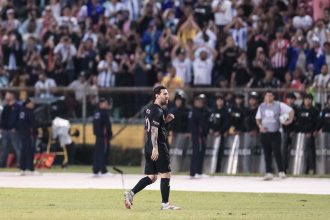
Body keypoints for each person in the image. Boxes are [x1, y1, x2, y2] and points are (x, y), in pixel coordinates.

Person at [124, 86, 180, 210]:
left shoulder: (149, 109)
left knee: (152, 177)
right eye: (164, 94)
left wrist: (166, 121)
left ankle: (131, 193)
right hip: (158, 145)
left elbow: (155, 127)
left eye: (167, 94)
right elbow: (154, 130)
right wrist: (156, 148)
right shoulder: (157, 111)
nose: (167, 96)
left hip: (148, 144)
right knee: (166, 174)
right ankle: (165, 204)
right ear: (157, 95)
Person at [255, 90, 294, 180]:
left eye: (271, 96)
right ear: (264, 97)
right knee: (267, 153)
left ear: (273, 97)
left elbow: (291, 111)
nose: (269, 97)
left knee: (277, 152)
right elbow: (257, 118)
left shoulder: (279, 105)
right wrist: (260, 126)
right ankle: (268, 172)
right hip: (265, 133)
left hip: (275, 132)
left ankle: (281, 171)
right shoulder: (261, 106)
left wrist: (289, 121)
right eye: (267, 96)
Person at [295, 94, 319, 174]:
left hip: (310, 135)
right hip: (300, 136)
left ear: (312, 101)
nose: (307, 101)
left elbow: (316, 123)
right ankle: (301, 169)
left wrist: (312, 132)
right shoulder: (299, 110)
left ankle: (312, 169)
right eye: (306, 99)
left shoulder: (315, 111)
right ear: (303, 101)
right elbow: (298, 123)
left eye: (309, 99)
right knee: (301, 153)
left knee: (310, 153)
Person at [188, 94, 210, 178]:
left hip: (198, 135)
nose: (201, 103)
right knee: (198, 153)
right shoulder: (196, 111)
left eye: (202, 101)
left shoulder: (197, 110)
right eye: (199, 101)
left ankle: (195, 172)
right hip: (198, 135)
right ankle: (196, 172)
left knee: (198, 152)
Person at [0, 91, 21, 167]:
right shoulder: (5, 107)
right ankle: (2, 163)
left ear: (12, 96)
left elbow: (19, 119)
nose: (6, 96)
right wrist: (1, 127)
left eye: (7, 95)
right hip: (5, 130)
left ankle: (20, 163)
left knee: (17, 147)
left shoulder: (17, 107)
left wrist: (16, 127)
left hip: (13, 130)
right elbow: (3, 118)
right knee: (4, 148)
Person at [92, 98, 112, 176]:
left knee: (97, 152)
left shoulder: (96, 112)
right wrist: (109, 134)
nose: (107, 105)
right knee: (104, 152)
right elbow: (107, 125)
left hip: (98, 136)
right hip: (104, 137)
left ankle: (96, 169)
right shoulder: (104, 113)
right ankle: (103, 170)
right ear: (101, 104)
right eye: (106, 103)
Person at [209, 95, 229, 172]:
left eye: (221, 100)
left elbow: (226, 124)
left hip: (220, 136)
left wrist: (220, 132)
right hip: (212, 136)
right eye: (218, 100)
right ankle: (210, 168)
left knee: (219, 153)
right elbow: (210, 121)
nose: (219, 102)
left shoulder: (225, 112)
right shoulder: (213, 111)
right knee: (210, 152)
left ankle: (218, 169)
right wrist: (210, 129)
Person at [18, 98, 37, 175]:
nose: (33, 104)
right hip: (28, 134)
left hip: (22, 133)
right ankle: (30, 169)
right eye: (31, 103)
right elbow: (33, 124)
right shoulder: (29, 112)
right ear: (27, 104)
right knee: (29, 151)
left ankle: (23, 168)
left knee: (23, 150)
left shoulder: (21, 111)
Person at [281, 93, 298, 173]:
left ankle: (293, 168)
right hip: (284, 132)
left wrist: (294, 131)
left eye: (292, 99)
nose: (290, 100)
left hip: (295, 133)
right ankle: (283, 168)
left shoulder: (297, 109)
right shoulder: (282, 109)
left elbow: (299, 121)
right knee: (283, 150)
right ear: (286, 99)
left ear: (294, 100)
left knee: (294, 151)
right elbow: (281, 121)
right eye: (289, 98)